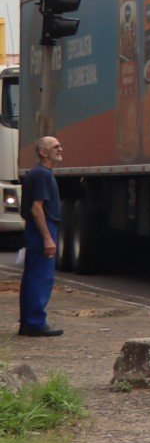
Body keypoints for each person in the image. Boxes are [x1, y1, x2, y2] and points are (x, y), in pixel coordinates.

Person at [19, 136, 64, 338]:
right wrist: (47, 238)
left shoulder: (41, 173)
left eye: (60, 146)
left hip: (40, 228)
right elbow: (37, 208)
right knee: (40, 276)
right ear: (43, 152)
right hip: (42, 229)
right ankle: (35, 322)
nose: (60, 149)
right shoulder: (42, 175)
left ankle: (30, 321)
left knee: (33, 275)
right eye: (55, 147)